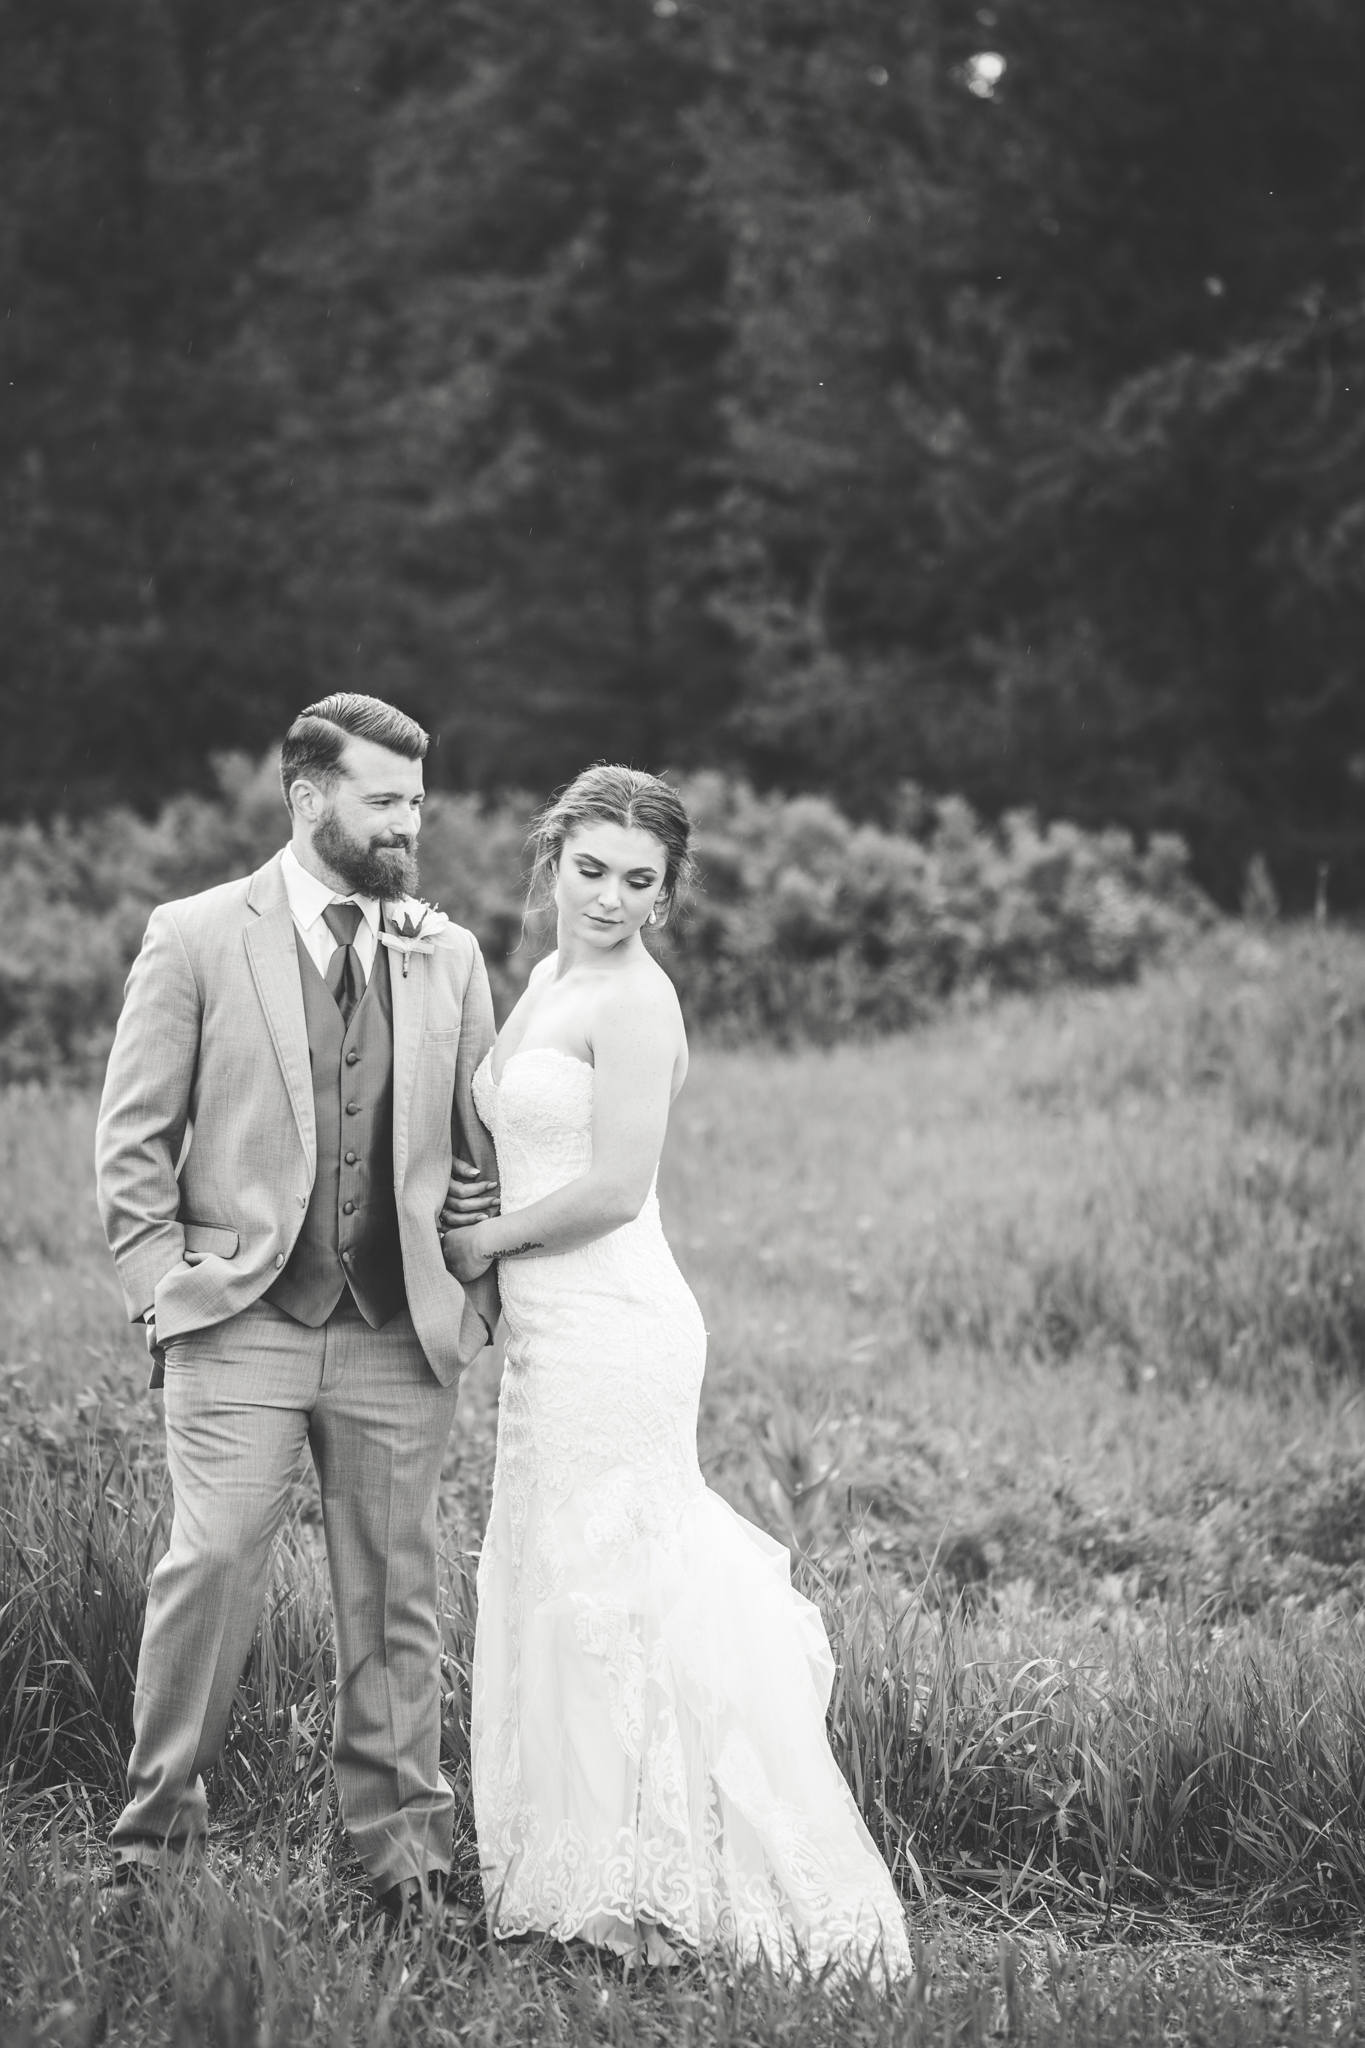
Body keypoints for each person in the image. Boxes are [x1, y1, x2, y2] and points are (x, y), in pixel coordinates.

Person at [440, 765, 913, 1975]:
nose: (609, 897)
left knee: (618, 1584)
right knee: (555, 1571)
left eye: (638, 880)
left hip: (617, 1322)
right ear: (553, 860)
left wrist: (482, 1244)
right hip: (548, 1333)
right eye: (590, 868)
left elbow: (612, 1189)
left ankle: (659, 1882)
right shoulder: (544, 978)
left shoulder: (638, 1000)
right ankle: (579, 1864)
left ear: (667, 892)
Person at [95, 692, 500, 1921]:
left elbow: (480, 1149)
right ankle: (156, 1841)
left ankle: (404, 1853)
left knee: (395, 1586)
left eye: (416, 801)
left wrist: (471, 1290)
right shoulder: (196, 934)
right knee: (213, 1560)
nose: (407, 823)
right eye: (383, 799)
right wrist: (163, 1299)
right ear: (309, 796)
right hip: (240, 1316)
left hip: (397, 1328)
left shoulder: (446, 952)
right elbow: (133, 1142)